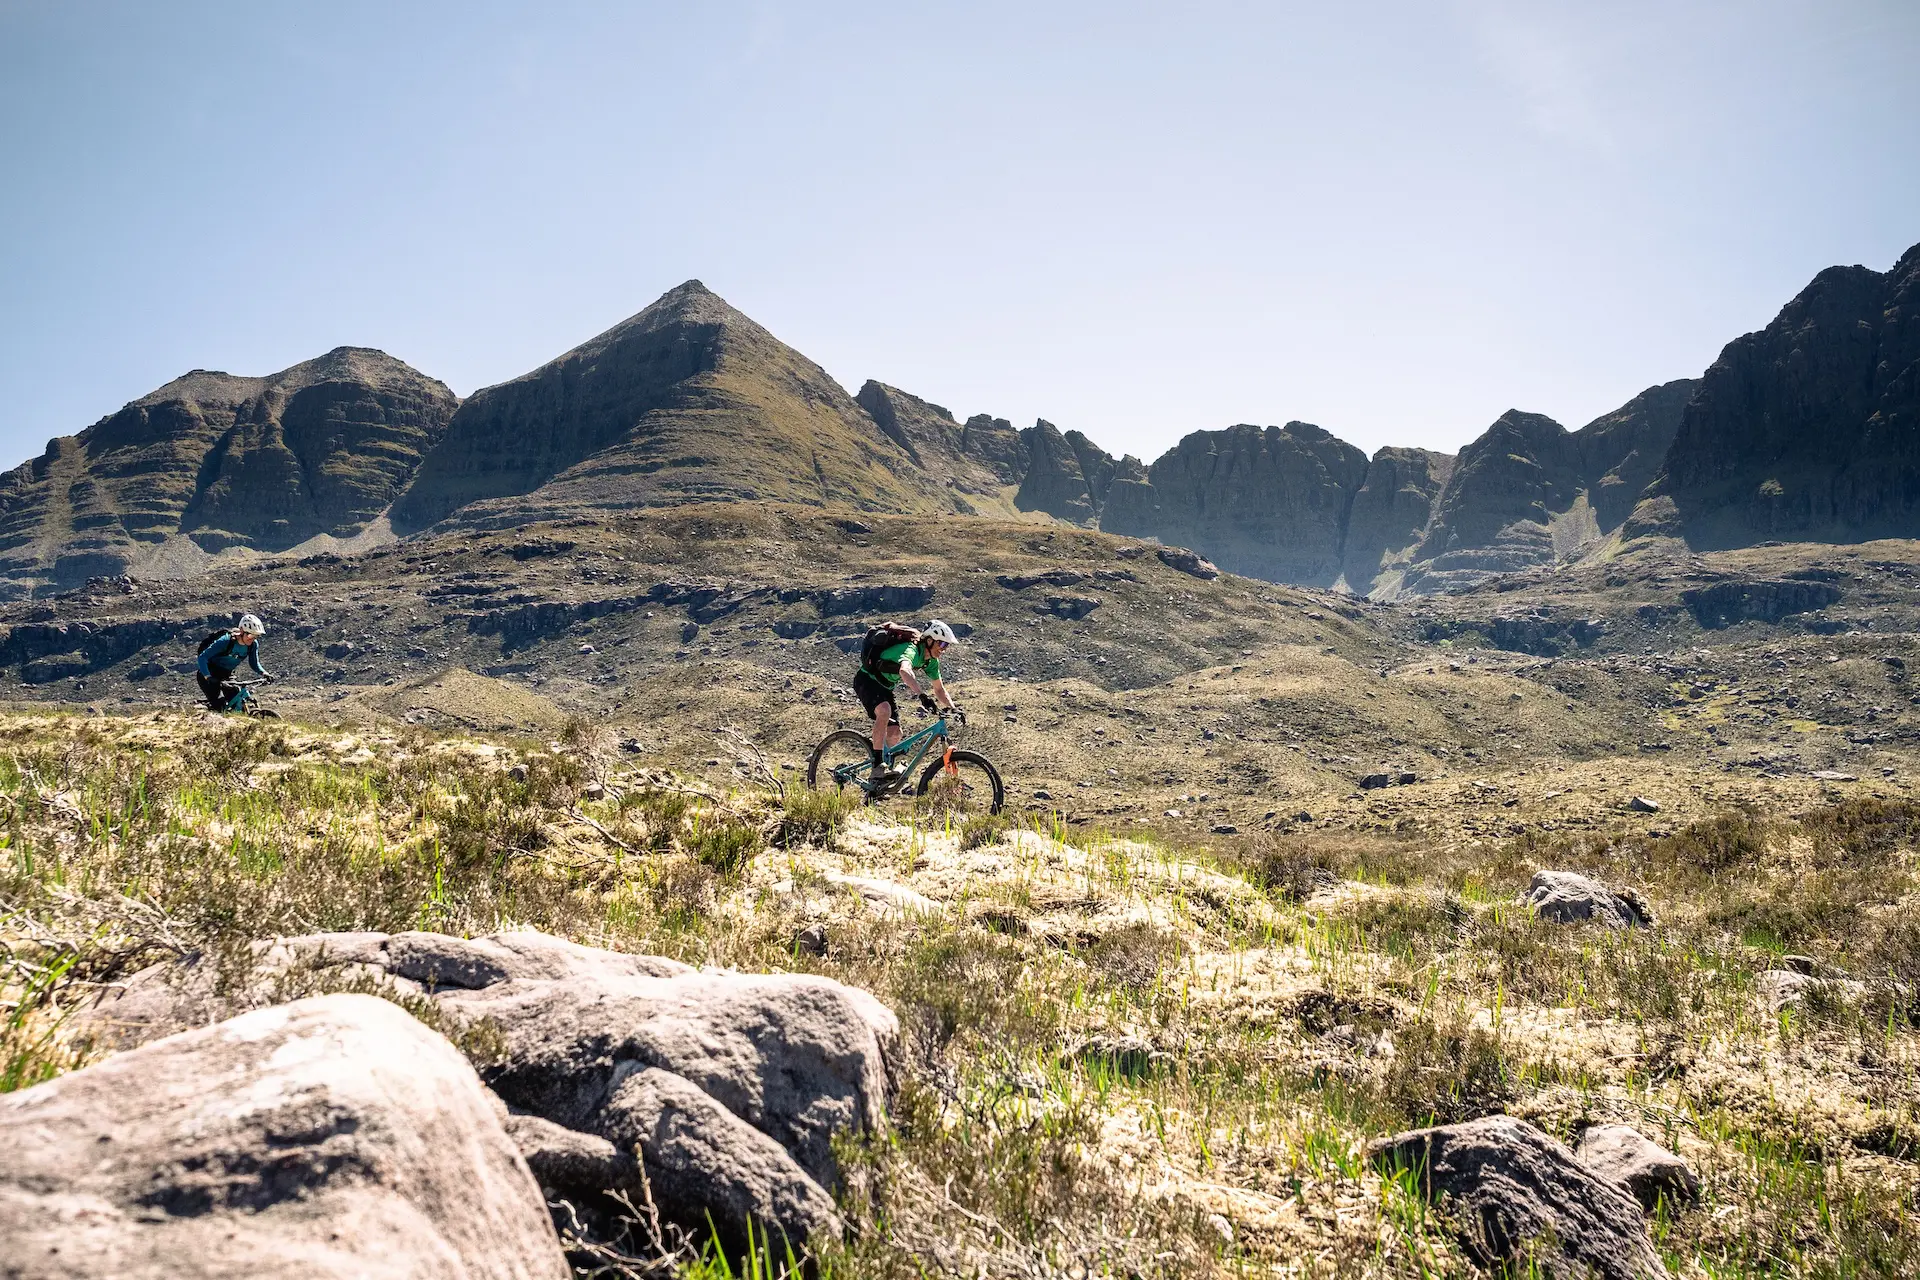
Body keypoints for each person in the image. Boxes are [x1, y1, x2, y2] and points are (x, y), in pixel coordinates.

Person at [854, 618, 964, 787]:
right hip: (866, 681)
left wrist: (954, 708)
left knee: (895, 733)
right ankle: (877, 766)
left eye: (946, 646)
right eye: (941, 645)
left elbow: (940, 690)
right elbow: (904, 670)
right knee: (884, 711)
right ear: (929, 640)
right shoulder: (911, 649)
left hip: (885, 687)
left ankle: (880, 783)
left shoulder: (931, 662)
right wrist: (921, 695)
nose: (943, 650)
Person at [197, 613, 273, 711]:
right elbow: (202, 658)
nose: (252, 639)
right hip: (209, 673)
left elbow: (254, 663)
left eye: (256, 636)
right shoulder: (226, 641)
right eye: (250, 635)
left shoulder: (253, 645)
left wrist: (264, 673)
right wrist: (208, 677)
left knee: (238, 702)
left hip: (227, 674)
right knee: (219, 705)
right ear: (242, 631)